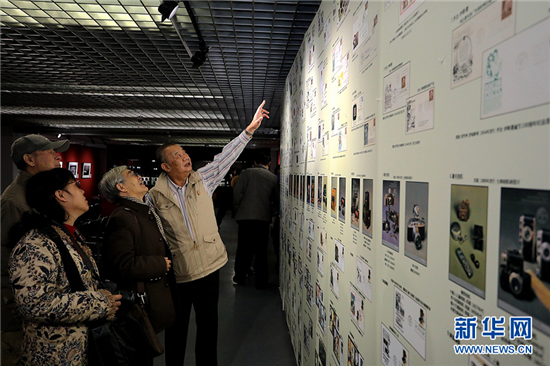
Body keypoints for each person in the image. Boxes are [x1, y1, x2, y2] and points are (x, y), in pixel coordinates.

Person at [147, 101, 269, 366]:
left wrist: (248, 131)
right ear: (166, 167)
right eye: (177, 156)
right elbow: (150, 236)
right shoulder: (154, 197)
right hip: (179, 273)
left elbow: (226, 156)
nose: (184, 157)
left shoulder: (203, 179)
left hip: (210, 268)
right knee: (176, 330)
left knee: (208, 327)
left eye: (184, 152)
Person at [8, 168, 122, 366]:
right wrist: (101, 302)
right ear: (60, 195)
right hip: (53, 356)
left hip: (78, 350)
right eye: (76, 186)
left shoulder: (67, 234)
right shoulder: (36, 244)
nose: (83, 191)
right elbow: (36, 304)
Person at [1, 134, 69, 366]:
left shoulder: (37, 195)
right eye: (49, 152)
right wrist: (15, 311)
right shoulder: (14, 202)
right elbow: (6, 260)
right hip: (19, 315)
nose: (56, 156)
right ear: (30, 159)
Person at [98, 166, 176, 338]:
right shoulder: (123, 218)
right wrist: (160, 264)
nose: (139, 176)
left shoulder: (141, 212)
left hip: (154, 301)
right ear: (121, 187)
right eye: (131, 174)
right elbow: (124, 265)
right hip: (142, 304)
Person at [233, 152, 279, 288]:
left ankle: (240, 276)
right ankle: (261, 280)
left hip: (245, 217)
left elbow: (237, 194)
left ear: (255, 162)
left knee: (243, 248)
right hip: (262, 218)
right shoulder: (272, 178)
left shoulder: (245, 173)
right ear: (268, 164)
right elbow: (275, 199)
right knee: (261, 251)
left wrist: (238, 210)